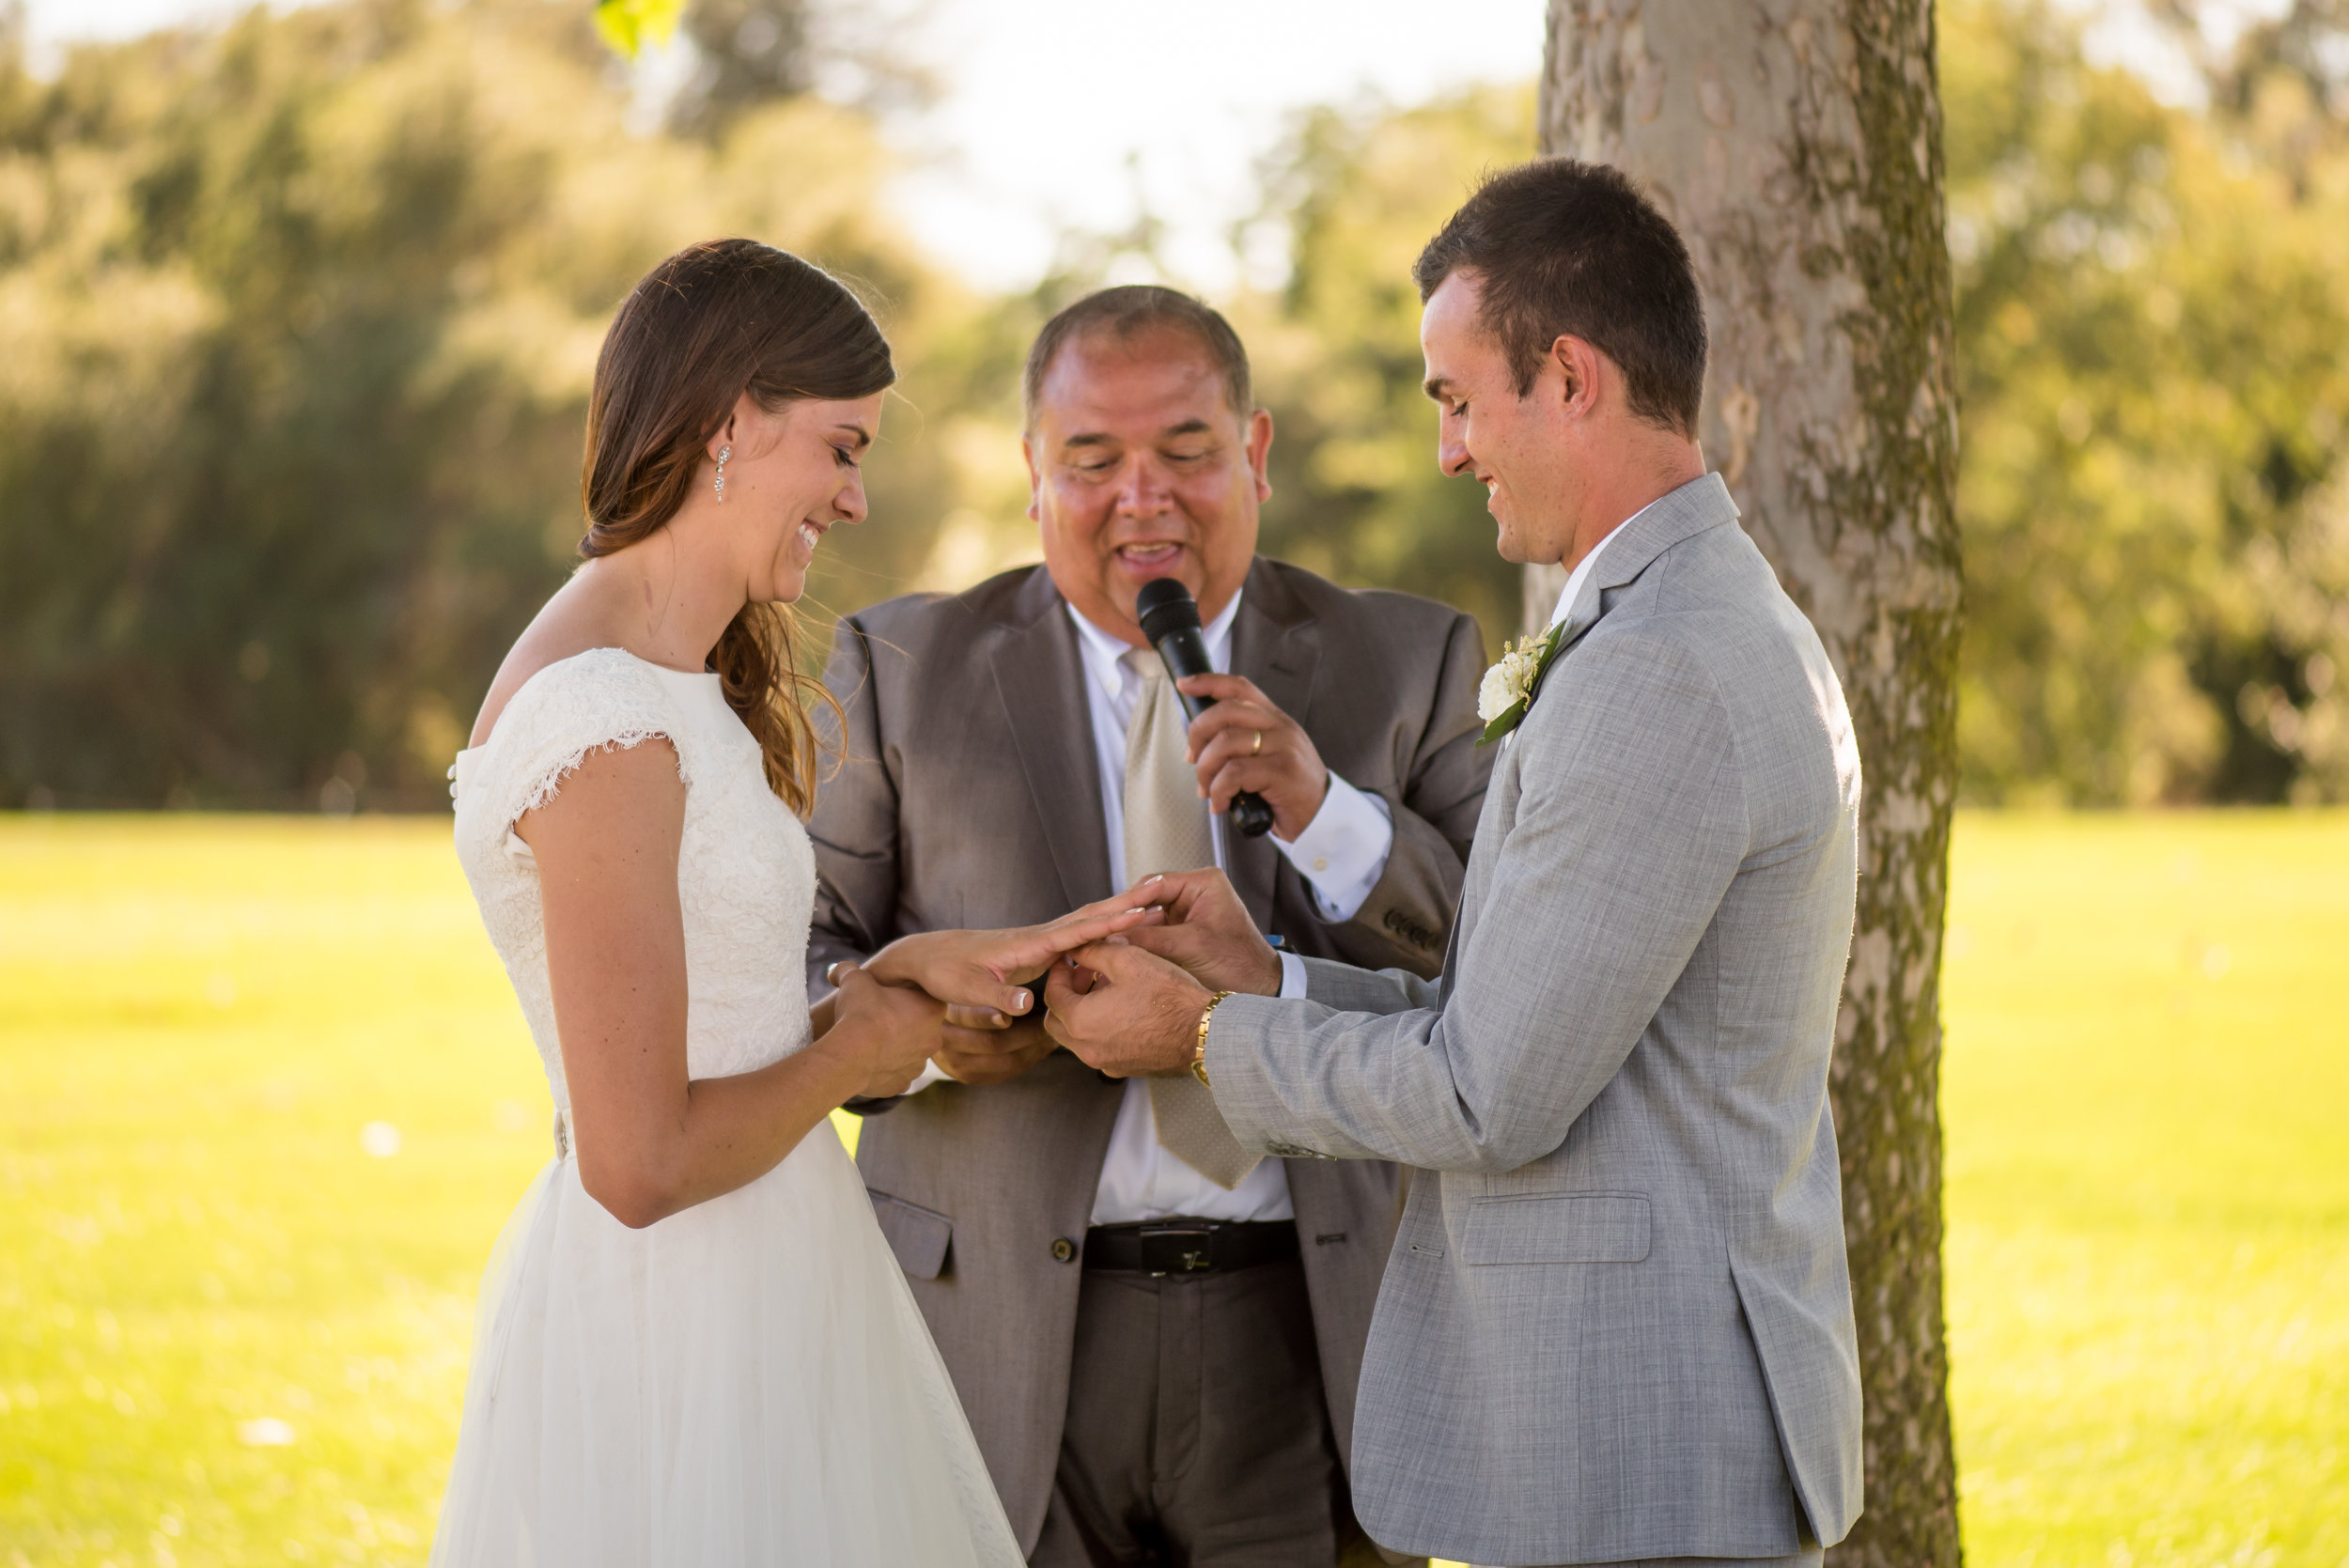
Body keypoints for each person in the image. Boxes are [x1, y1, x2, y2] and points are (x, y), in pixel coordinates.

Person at [1037, 162, 1869, 1568]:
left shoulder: (1657, 668)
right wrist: (1270, 976)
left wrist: (1202, 1036)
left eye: (1457, 396)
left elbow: (1490, 1096)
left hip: (1641, 1439)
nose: (1450, 448)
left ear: (1572, 376)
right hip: (1634, 1434)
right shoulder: (1679, 616)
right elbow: (1514, 1020)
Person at [434, 239, 1155, 1567]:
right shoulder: (600, 714)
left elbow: (712, 999)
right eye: (840, 446)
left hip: (769, 1273)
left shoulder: (670, 678)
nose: (856, 496)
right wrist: (852, 1056)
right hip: (681, 1325)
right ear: (730, 425)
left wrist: (894, 976)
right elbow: (637, 1162)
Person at [803, 286, 1492, 1566]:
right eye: (1093, 459)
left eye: (1185, 451)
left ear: (1258, 452)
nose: (1144, 497)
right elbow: (799, 954)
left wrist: (1329, 815)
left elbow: (1503, 971)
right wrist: (931, 1032)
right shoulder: (897, 666)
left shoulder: (1410, 658)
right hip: (990, 1333)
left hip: (1308, 1326)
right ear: (1030, 470)